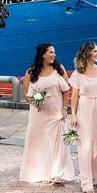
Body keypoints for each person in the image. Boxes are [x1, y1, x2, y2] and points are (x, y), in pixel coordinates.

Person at [19, 43, 74, 185]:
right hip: (39, 114)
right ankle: (40, 172)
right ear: (43, 54)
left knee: (59, 144)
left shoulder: (59, 69)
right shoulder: (31, 72)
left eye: (54, 52)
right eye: (51, 52)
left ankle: (57, 174)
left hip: (56, 113)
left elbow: (66, 89)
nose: (54, 55)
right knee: (38, 143)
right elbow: (26, 95)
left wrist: (64, 108)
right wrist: (35, 102)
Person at [70, 41, 97, 193]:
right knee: (86, 146)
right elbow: (74, 96)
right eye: (95, 51)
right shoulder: (77, 73)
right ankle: (86, 182)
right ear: (88, 53)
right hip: (85, 107)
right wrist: (73, 114)